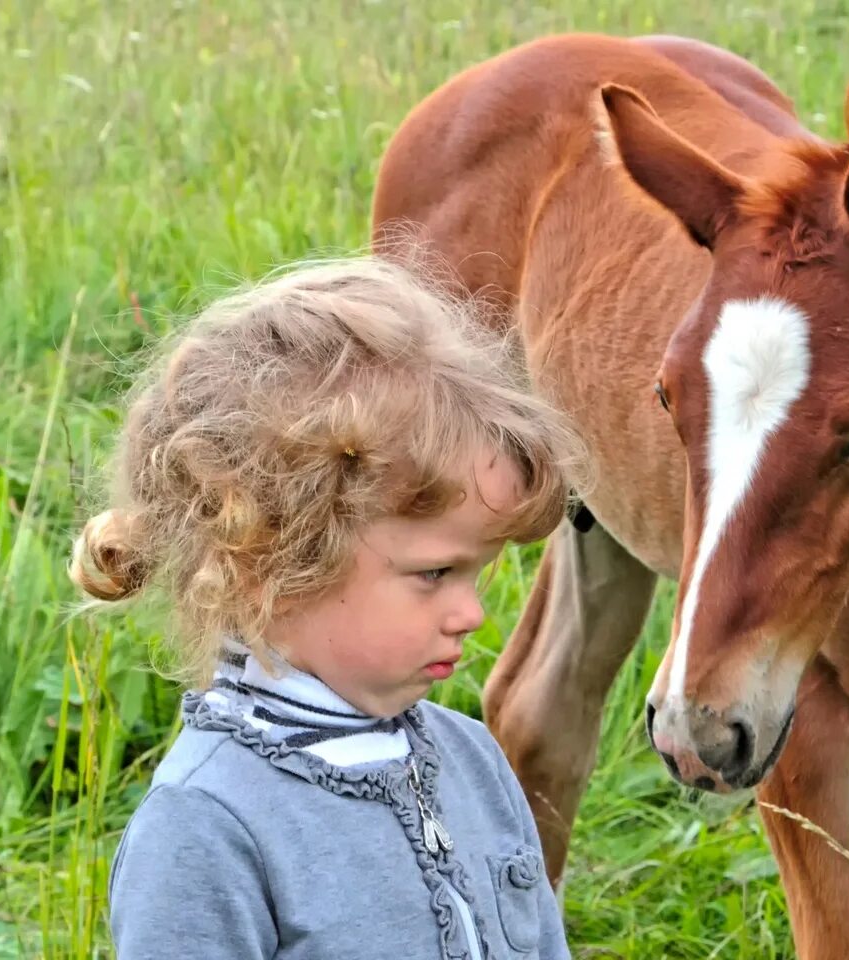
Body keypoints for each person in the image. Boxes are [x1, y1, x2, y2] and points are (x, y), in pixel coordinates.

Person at [69, 256, 586, 959]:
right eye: (434, 573)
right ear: (267, 562)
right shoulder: (206, 826)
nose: (472, 614)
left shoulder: (472, 761)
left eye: (476, 573)